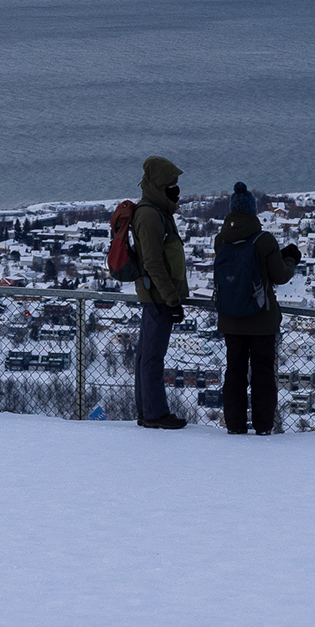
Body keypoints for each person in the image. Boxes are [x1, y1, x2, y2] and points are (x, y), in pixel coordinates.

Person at [209, 184, 302, 435]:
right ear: (253, 210)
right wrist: (290, 258)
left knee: (234, 372)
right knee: (263, 373)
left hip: (230, 317)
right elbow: (280, 276)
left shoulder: (221, 240)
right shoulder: (264, 240)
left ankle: (235, 425)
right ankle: (263, 426)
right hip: (261, 319)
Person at [129, 157, 192, 428]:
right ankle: (154, 413)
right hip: (158, 297)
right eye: (171, 185)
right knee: (152, 357)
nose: (176, 189)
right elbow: (153, 262)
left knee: (146, 355)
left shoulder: (156, 211)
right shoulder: (150, 215)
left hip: (156, 295)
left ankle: (147, 411)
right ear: (159, 186)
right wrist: (171, 298)